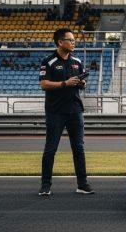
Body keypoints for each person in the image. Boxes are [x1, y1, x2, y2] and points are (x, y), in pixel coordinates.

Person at [38, 27, 93, 196]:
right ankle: (45, 185)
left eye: (74, 40)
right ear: (60, 42)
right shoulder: (48, 61)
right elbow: (44, 84)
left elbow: (77, 83)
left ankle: (82, 184)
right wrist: (65, 83)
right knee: (50, 149)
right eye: (70, 40)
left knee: (79, 148)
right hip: (55, 111)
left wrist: (80, 84)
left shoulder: (76, 61)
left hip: (75, 110)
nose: (73, 42)